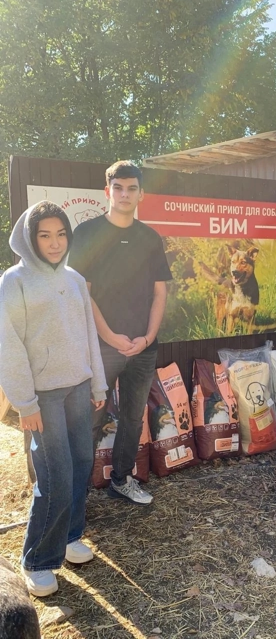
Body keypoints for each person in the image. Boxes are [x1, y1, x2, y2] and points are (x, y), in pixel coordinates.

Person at [0, 201, 107, 597]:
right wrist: (24, 403)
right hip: (42, 397)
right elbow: (8, 345)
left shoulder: (75, 279)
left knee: (81, 464)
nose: (55, 242)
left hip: (79, 388)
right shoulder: (15, 281)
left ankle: (70, 536)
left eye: (61, 234)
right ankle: (38, 559)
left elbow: (88, 334)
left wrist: (98, 384)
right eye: (44, 235)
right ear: (29, 238)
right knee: (55, 475)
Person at [68, 160, 172, 505]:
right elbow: (83, 293)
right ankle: (78, 495)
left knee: (132, 418)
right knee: (90, 419)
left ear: (141, 194)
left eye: (131, 188)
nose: (124, 194)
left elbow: (160, 293)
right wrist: (111, 337)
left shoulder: (150, 237)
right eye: (118, 188)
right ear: (107, 192)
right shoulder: (87, 233)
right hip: (101, 347)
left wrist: (147, 337)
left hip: (143, 348)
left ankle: (122, 480)